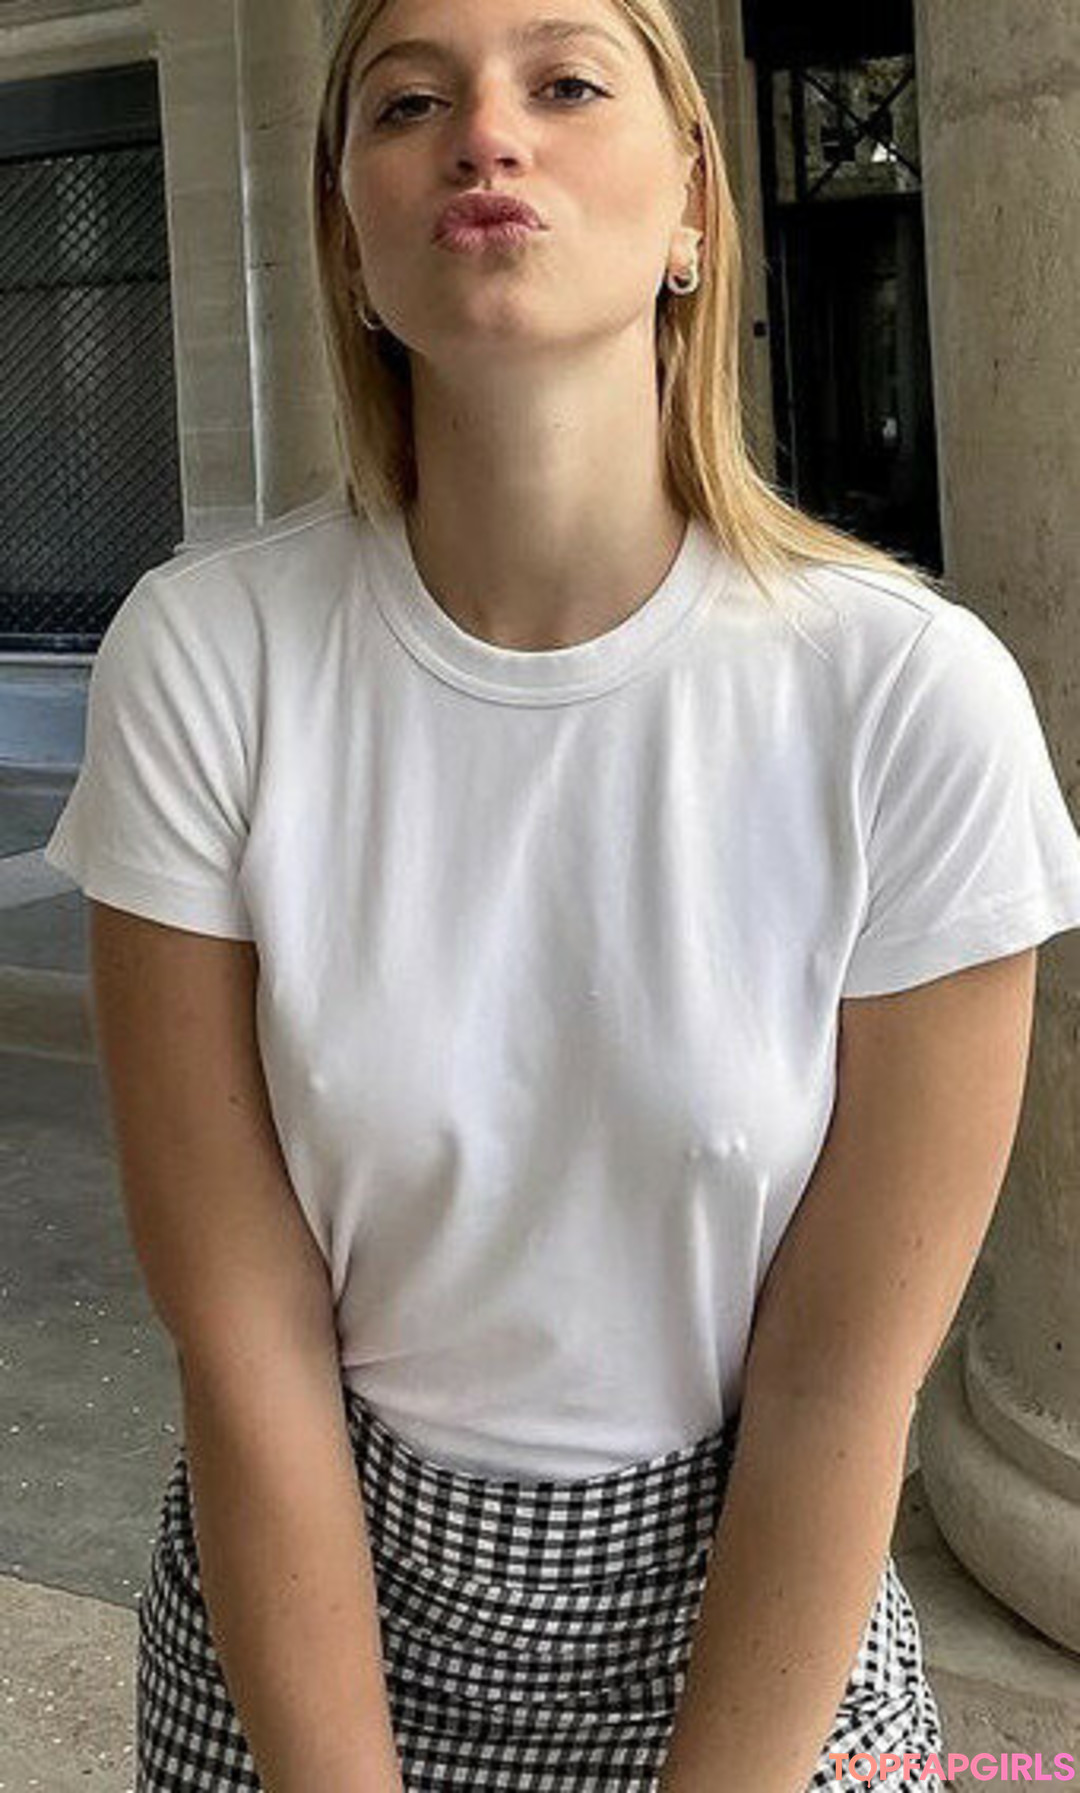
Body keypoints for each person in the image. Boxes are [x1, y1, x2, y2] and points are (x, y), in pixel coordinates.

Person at [42, 1, 1080, 1789]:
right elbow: (243, 1327)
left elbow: (841, 1380)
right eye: (407, 102)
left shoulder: (906, 697)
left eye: (567, 81)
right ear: (347, 241)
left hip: (755, 1626)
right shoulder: (208, 659)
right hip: (311, 1610)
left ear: (694, 205)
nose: (484, 133)